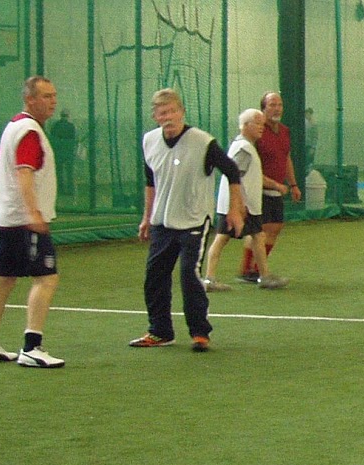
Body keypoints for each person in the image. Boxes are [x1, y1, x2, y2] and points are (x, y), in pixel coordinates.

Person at [129, 88, 246, 352]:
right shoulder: (149, 141)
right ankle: (160, 331)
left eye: (172, 111)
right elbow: (151, 182)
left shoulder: (203, 142)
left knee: (188, 274)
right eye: (162, 113)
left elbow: (232, 171)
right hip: (162, 222)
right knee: (154, 276)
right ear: (155, 116)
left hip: (194, 220)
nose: (168, 117)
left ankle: (199, 332)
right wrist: (146, 218)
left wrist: (235, 210)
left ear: (182, 111)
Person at [0, 75, 66, 368]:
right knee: (46, 278)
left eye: (54, 95)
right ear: (30, 99)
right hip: (24, 222)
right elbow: (23, 172)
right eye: (46, 96)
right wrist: (33, 213)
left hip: (6, 218)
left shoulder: (13, 127)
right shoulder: (29, 131)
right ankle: (32, 347)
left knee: (2, 280)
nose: (53, 101)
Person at [202, 108, 289, 292]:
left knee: (258, 236)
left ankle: (264, 276)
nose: (261, 127)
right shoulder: (244, 149)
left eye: (262, 124)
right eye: (257, 123)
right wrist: (238, 205)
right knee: (221, 239)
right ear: (245, 126)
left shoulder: (247, 146)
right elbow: (236, 178)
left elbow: (251, 176)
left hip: (245, 205)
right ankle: (209, 279)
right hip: (238, 206)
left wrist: (276, 186)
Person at [239, 92, 301, 283]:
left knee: (275, 227)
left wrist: (293, 184)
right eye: (272, 104)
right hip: (258, 189)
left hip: (277, 188)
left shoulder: (284, 131)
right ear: (263, 108)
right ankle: (248, 270)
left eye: (279, 105)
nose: (277, 108)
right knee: (260, 229)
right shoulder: (257, 132)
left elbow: (286, 158)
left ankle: (257, 269)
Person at [48, 110, 77, 198]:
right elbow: (73, 138)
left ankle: (60, 190)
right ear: (67, 116)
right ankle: (70, 190)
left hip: (58, 151)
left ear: (61, 116)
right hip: (68, 151)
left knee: (59, 172)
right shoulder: (71, 126)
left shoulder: (56, 125)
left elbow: (52, 137)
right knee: (69, 172)